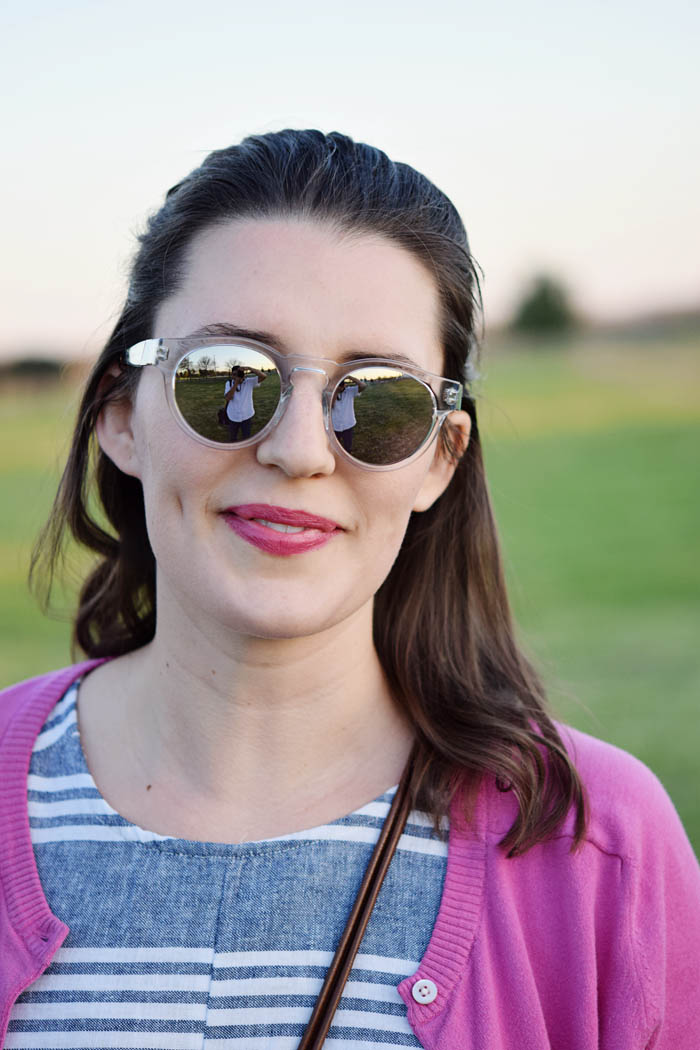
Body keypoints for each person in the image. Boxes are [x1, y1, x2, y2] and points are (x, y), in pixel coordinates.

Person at [1, 130, 698, 1049]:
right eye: (229, 380)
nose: (296, 450)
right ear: (123, 419)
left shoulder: (598, 844)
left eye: (378, 401)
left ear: (439, 462)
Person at [224, 363, 267, 440]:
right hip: (233, 415)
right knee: (233, 437)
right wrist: (236, 383)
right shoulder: (229, 383)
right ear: (231, 375)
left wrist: (249, 368)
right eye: (234, 374)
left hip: (247, 415)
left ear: (244, 375)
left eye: (239, 374)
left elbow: (264, 376)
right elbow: (228, 398)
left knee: (246, 437)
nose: (236, 376)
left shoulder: (249, 382)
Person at [331, 375, 365, 451]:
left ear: (344, 384)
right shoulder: (331, 392)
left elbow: (363, 386)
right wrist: (336, 392)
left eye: (341, 384)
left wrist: (350, 377)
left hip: (348, 424)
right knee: (335, 447)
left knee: (348, 447)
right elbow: (331, 406)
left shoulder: (350, 391)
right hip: (335, 425)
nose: (341, 386)